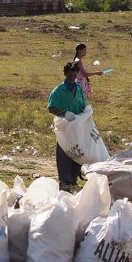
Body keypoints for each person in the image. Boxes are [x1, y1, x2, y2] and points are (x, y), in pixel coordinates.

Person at [47, 62, 87, 191]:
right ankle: (64, 181)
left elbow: (82, 103)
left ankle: (73, 179)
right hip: (64, 127)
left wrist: (84, 111)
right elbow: (51, 108)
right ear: (65, 75)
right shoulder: (58, 90)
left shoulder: (79, 88)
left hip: (76, 127)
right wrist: (65, 113)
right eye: (69, 75)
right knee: (64, 153)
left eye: (74, 76)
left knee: (77, 153)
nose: (72, 78)